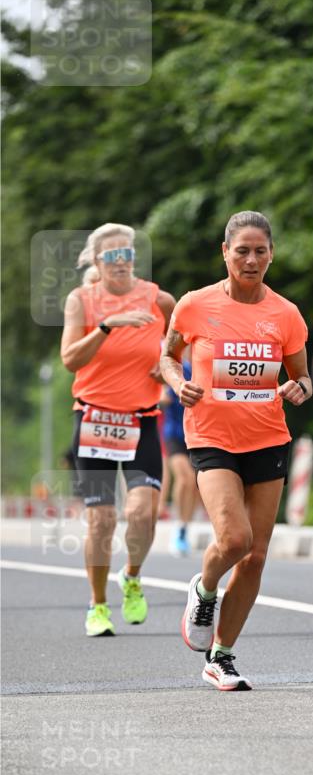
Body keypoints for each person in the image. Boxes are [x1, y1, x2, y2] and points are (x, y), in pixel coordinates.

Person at [161, 210, 311, 691]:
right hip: (211, 436)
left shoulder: (285, 314)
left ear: (271, 255)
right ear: (224, 253)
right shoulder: (194, 306)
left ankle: (220, 656)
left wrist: (298, 389)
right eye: (241, 250)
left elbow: (303, 376)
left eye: (260, 251)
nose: (251, 260)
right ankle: (204, 589)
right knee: (235, 539)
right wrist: (176, 382)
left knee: (257, 556)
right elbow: (167, 355)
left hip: (268, 438)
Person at [60, 223, 175, 636]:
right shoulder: (82, 300)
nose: (122, 261)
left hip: (141, 420)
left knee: (142, 514)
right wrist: (108, 326)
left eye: (127, 252)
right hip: (94, 419)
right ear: (97, 262)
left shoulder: (157, 297)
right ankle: (98, 604)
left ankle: (131, 577)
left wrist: (166, 364)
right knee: (101, 520)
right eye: (112, 255)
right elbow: (70, 359)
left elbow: (184, 340)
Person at [160, 355, 199, 556]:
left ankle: (184, 527)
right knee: (185, 477)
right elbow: (160, 395)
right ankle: (178, 527)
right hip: (174, 433)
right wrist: (162, 397)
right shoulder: (172, 368)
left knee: (194, 485)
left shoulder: (202, 368)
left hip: (196, 433)